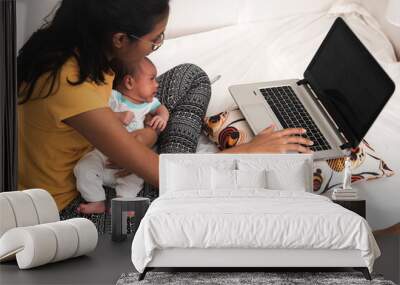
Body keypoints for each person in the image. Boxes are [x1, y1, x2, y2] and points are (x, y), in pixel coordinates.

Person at [17, 0, 313, 232]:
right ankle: (178, 182)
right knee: (167, 213)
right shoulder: (68, 84)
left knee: (191, 76)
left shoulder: (83, 46)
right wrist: (250, 151)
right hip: (72, 206)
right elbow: (160, 173)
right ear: (120, 38)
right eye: (154, 40)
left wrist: (148, 134)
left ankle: (172, 167)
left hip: (100, 146)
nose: (157, 46)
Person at [74, 57, 169, 214]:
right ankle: (96, 200)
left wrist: (162, 117)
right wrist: (118, 116)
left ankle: (123, 202)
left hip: (132, 163)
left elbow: (162, 109)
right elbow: (98, 114)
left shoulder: (149, 104)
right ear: (129, 82)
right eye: (152, 79)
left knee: (136, 177)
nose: (156, 84)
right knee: (84, 167)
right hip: (104, 154)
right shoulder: (113, 97)